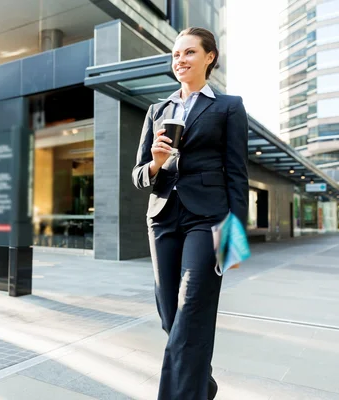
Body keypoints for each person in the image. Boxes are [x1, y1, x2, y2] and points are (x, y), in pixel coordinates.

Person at [132, 27, 249, 399]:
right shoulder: (157, 110)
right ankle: (202, 383)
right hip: (163, 217)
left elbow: (237, 174)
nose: (179, 60)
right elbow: (138, 177)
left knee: (192, 308)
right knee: (172, 317)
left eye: (189, 53)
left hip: (208, 219)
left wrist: (235, 241)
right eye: (175, 55)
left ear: (209, 57)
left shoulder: (229, 107)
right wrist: (155, 163)